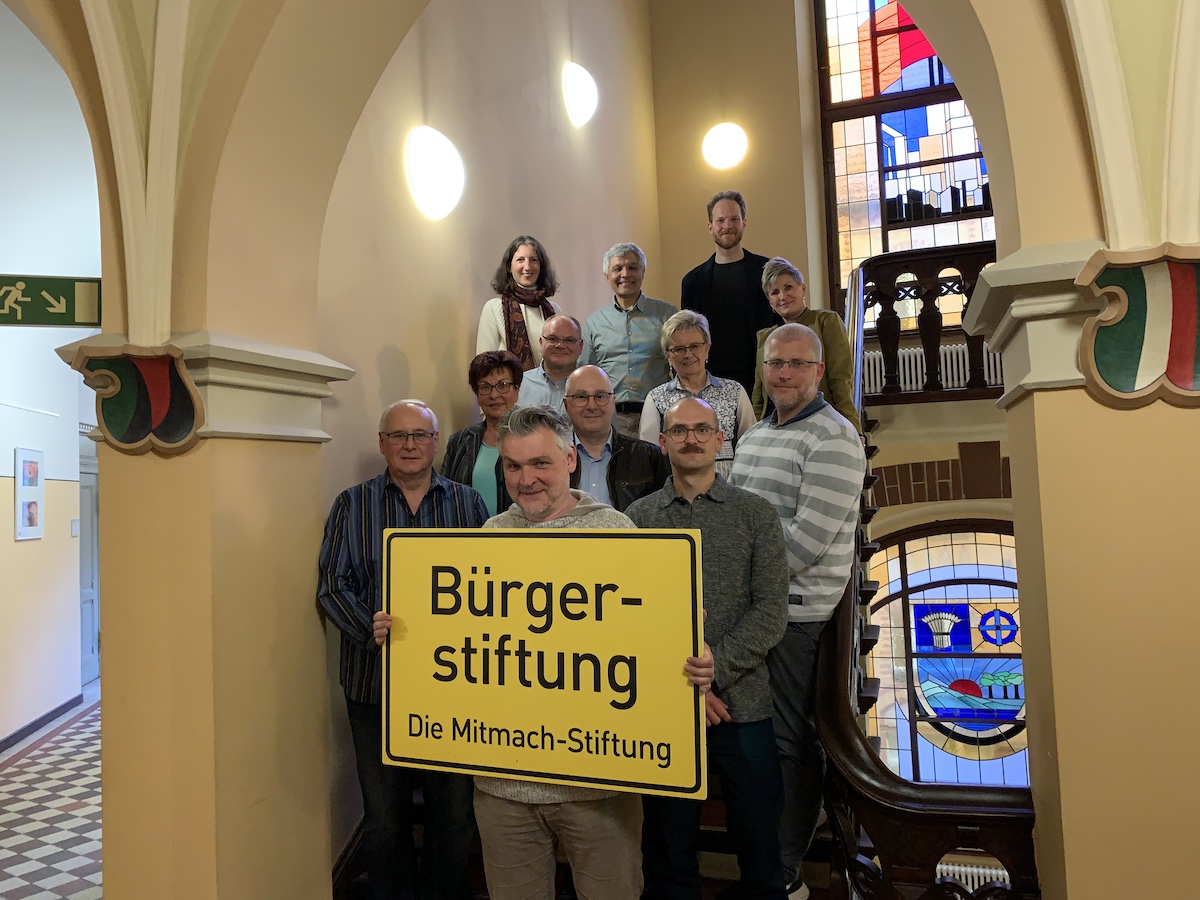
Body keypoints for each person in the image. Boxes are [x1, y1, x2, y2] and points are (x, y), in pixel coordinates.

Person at [376, 405, 713, 900]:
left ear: (570, 460)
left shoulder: (616, 532)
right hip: (502, 788)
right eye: (513, 466)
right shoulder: (490, 536)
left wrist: (693, 661)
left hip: (600, 787)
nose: (526, 479)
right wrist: (405, 634)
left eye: (540, 464)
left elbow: (657, 638)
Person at [318, 400, 488, 900]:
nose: (410, 445)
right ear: (382, 443)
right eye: (398, 436)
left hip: (452, 691)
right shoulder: (352, 504)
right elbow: (331, 585)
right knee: (386, 819)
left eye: (420, 435)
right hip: (376, 691)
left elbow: (490, 587)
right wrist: (370, 631)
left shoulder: (467, 505)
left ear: (437, 442)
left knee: (454, 814)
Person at [627, 397, 789, 900]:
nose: (691, 438)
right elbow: (631, 619)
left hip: (744, 705)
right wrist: (687, 684)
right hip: (666, 711)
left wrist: (711, 671)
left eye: (702, 430)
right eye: (679, 431)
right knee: (668, 852)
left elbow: (770, 613)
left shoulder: (757, 515)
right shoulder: (637, 517)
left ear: (722, 441)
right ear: (663, 442)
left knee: (761, 848)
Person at [729, 324, 866, 899]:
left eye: (796, 363)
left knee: (789, 742)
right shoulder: (758, 435)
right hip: (752, 608)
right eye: (773, 363)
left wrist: (733, 566)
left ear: (817, 370)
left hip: (795, 616)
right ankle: (763, 865)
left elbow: (805, 543)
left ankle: (783, 874)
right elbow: (733, 515)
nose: (783, 373)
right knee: (750, 742)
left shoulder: (835, 439)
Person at [680, 191, 779, 397]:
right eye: (720, 220)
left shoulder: (767, 271)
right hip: (712, 381)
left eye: (734, 219)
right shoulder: (692, 282)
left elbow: (782, 322)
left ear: (744, 223)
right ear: (710, 227)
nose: (727, 225)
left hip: (762, 377)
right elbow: (690, 337)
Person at [639, 310, 756, 479]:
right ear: (668, 356)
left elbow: (750, 447)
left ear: (707, 349)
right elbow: (649, 457)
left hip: (730, 490)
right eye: (678, 349)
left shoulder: (734, 391)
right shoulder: (656, 399)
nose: (688, 355)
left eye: (694, 346)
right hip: (676, 492)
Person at [751, 257, 861, 432]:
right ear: (770, 301)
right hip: (774, 427)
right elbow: (759, 396)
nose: (782, 296)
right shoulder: (765, 337)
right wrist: (754, 432)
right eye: (775, 292)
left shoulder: (825, 321)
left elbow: (841, 379)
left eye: (788, 287)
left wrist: (853, 428)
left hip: (820, 424)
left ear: (802, 289)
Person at [580, 243, 675, 436]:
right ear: (607, 276)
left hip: (658, 415)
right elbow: (586, 372)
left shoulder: (666, 315)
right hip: (610, 418)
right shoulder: (594, 322)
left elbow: (681, 362)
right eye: (617, 269)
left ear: (643, 272)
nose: (625, 274)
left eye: (632, 267)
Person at [564, 365, 668, 512]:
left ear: (613, 402)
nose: (592, 406)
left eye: (600, 396)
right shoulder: (550, 458)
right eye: (581, 397)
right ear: (566, 405)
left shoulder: (651, 458)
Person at [441, 350, 523, 517]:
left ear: (517, 390)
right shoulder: (459, 441)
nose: (494, 395)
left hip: (519, 537)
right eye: (485, 387)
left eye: (502, 385)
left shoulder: (534, 437)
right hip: (468, 538)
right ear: (477, 394)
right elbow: (444, 495)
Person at [477, 235, 563, 370]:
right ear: (509, 267)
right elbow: (483, 365)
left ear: (541, 266)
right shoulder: (494, 308)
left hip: (551, 388)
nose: (527, 267)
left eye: (533, 260)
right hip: (509, 389)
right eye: (520, 260)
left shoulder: (554, 310)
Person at [515, 314, 584, 413]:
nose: (560, 345)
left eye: (569, 340)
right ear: (541, 342)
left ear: (581, 346)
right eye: (552, 339)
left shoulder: (595, 386)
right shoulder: (519, 385)